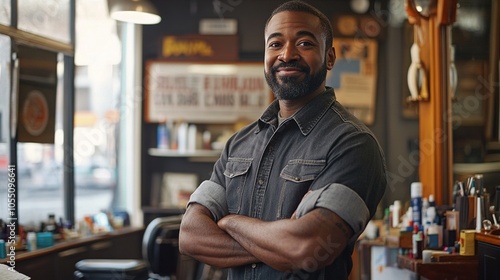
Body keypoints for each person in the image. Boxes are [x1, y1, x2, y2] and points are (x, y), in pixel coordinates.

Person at [179, 1, 387, 279]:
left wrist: (230, 222)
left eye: (304, 43)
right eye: (275, 44)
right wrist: (279, 247)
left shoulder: (353, 144)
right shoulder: (238, 145)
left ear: (330, 57)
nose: (287, 54)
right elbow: (190, 236)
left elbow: (307, 247)